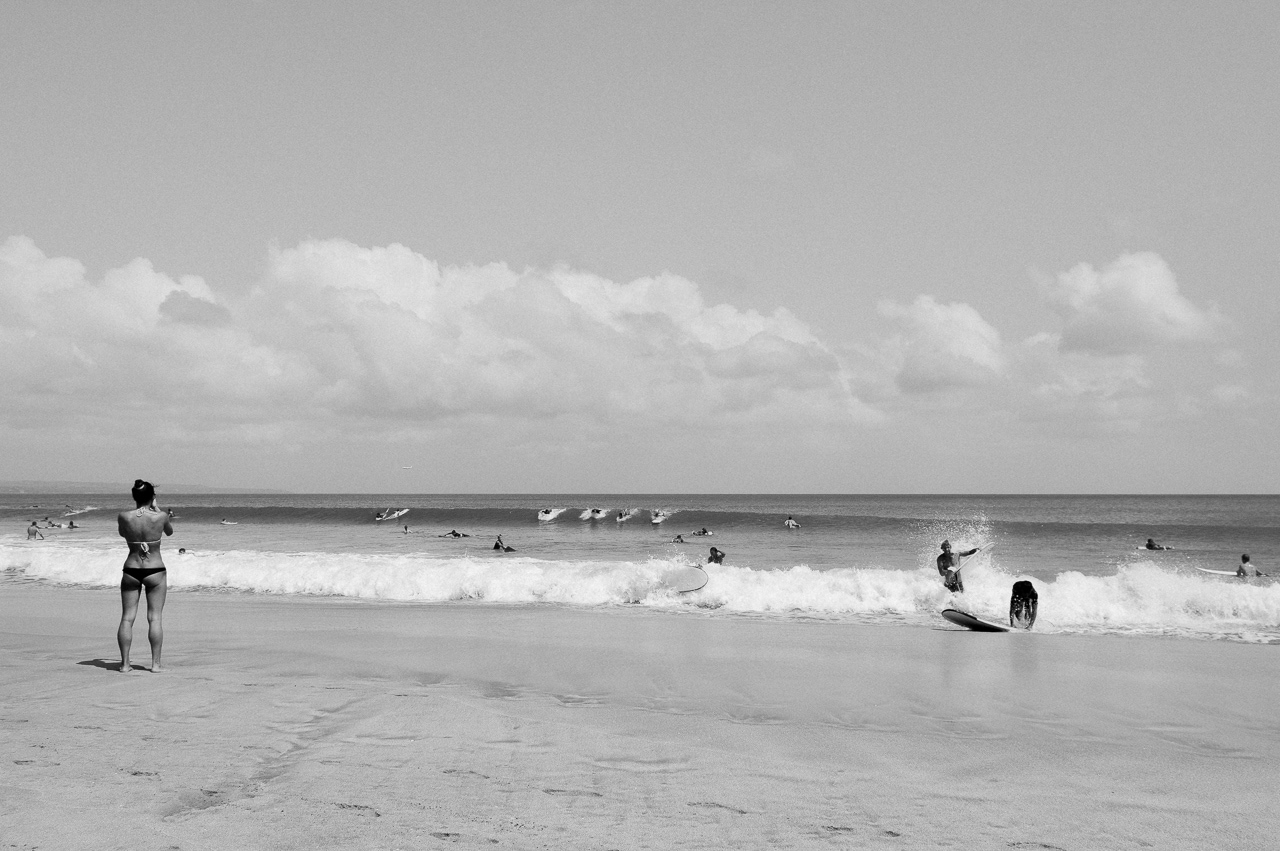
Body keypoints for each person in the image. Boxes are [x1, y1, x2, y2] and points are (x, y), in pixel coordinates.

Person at [116, 479, 173, 673]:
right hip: (155, 569)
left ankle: (124, 664)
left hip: (131, 569)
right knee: (154, 618)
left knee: (126, 618)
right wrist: (156, 510)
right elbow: (169, 532)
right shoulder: (161, 516)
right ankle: (155, 664)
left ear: (134, 497)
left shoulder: (123, 516)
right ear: (152, 497)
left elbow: (123, 534)